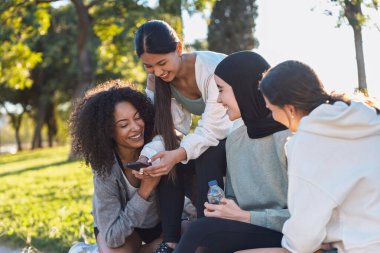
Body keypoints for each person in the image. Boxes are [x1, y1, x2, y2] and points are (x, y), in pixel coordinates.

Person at [241, 60, 380, 253]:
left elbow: (303, 238)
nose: (272, 117)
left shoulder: (307, 142)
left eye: (271, 110)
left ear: (289, 109)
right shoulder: (368, 117)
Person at [173, 51, 290, 253]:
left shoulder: (288, 137)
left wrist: (247, 217)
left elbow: (305, 215)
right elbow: (234, 199)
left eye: (221, 90)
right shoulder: (235, 140)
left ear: (243, 89)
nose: (218, 100)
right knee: (205, 233)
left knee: (200, 230)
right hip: (248, 227)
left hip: (288, 231)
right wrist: (223, 209)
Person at [134, 20, 232, 252]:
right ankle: (170, 243)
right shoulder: (161, 81)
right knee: (166, 160)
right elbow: (171, 130)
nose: (157, 72)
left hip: (240, 128)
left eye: (161, 63)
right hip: (217, 132)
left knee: (206, 154)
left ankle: (207, 237)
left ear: (178, 49)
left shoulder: (210, 68)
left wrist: (177, 154)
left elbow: (213, 129)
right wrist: (148, 156)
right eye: (149, 66)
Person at [70, 80, 163, 253]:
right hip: (120, 226)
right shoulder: (105, 169)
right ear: (108, 131)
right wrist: (144, 191)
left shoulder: (157, 148)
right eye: (123, 125)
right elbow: (113, 236)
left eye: (137, 118)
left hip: (158, 224)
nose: (136, 127)